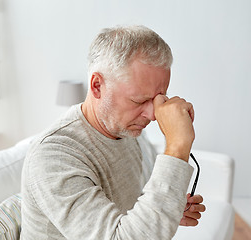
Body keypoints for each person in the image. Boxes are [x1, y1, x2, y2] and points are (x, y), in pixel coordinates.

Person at [20, 25, 206, 239]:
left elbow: (128, 214)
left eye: (158, 99)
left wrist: (167, 209)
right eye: (139, 100)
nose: (153, 115)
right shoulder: (53, 157)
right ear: (97, 85)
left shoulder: (126, 131)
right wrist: (177, 144)